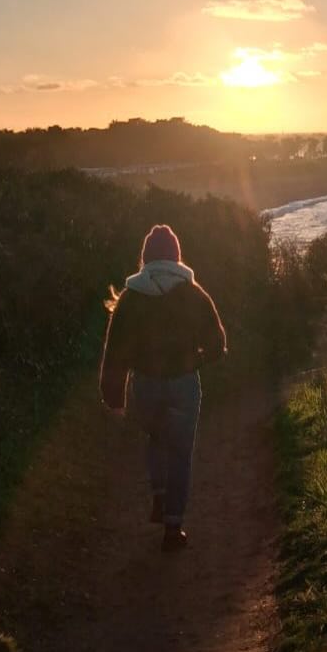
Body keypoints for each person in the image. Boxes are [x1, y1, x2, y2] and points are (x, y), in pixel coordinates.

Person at [99, 224, 227, 552]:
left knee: (155, 439)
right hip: (184, 383)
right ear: (176, 256)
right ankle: (173, 528)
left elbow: (114, 351)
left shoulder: (131, 296)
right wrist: (199, 359)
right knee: (181, 455)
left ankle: (158, 495)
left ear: (145, 257)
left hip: (145, 384)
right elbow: (217, 343)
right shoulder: (194, 292)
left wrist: (112, 395)